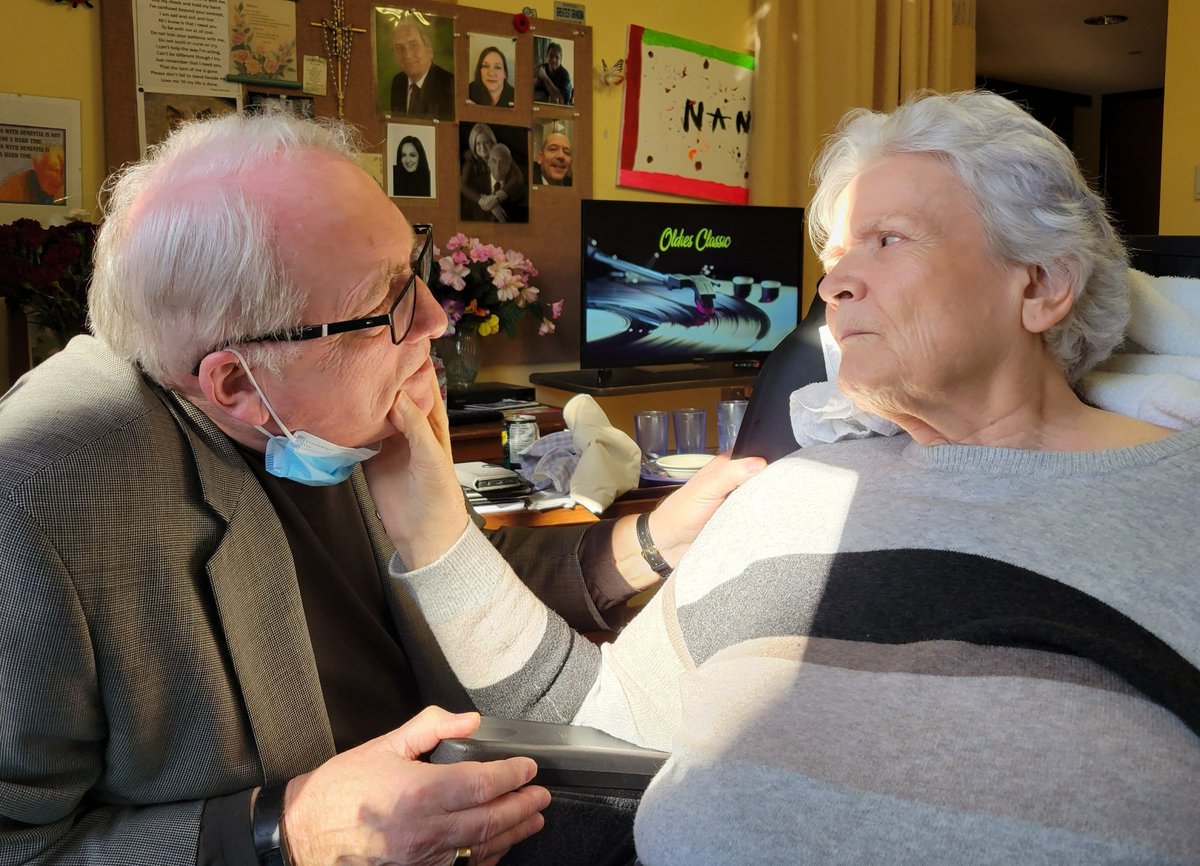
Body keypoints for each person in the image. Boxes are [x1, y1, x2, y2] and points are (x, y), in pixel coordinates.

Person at [376, 90, 1200, 862]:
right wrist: (432, 527)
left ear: (1043, 284)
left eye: (889, 239)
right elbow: (597, 733)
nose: (832, 284)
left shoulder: (1179, 502)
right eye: (835, 254)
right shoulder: (789, 495)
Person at [0, 110, 764, 865]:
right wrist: (287, 832)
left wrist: (652, 541)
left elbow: (454, 582)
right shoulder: (37, 503)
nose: (435, 319)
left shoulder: (323, 418)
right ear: (234, 380)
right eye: (387, 301)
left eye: (416, 271)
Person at [389, 19, 454, 119]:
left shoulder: (450, 84)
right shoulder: (398, 82)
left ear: (429, 50)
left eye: (414, 45)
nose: (407, 55)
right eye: (399, 48)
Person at [459, 123, 506, 222]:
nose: (482, 147)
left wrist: (495, 200)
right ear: (473, 145)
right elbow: (462, 185)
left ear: (492, 143)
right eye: (478, 144)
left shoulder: (500, 157)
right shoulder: (471, 161)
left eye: (486, 142)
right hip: (478, 207)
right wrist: (484, 202)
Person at [0, 144, 64, 205]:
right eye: (52, 169)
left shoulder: (64, 191)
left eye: (63, 172)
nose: (59, 180)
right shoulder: (14, 188)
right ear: (36, 164)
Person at [532, 42, 572, 106]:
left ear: (561, 59)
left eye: (557, 57)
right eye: (551, 56)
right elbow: (526, 91)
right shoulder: (542, 67)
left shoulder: (565, 75)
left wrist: (544, 77)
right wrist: (536, 80)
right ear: (547, 56)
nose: (553, 60)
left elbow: (562, 100)